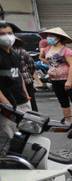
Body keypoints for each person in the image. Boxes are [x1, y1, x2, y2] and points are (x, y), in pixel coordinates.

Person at [39, 27, 72, 127]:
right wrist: (50, 63)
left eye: (52, 36)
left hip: (68, 79)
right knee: (63, 103)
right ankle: (68, 123)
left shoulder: (67, 51)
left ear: (58, 38)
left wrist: (69, 81)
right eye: (48, 36)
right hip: (54, 80)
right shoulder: (47, 49)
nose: (49, 38)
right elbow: (41, 57)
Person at [0, 22, 31, 153]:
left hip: (22, 102)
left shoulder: (14, 54)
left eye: (9, 33)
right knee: (7, 139)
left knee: (24, 137)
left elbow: (19, 76)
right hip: (7, 106)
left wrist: (26, 94)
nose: (7, 36)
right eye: (2, 34)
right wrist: (6, 105)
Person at [13, 36, 40, 111]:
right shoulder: (23, 51)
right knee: (31, 100)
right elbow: (32, 65)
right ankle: (34, 115)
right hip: (26, 79)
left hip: (14, 81)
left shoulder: (17, 52)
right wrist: (28, 74)